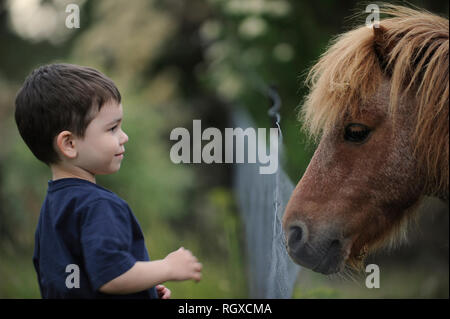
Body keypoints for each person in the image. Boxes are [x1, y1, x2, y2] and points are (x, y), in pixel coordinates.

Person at [14, 63, 202, 298]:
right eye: (112, 128)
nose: (124, 137)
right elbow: (111, 275)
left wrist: (143, 287)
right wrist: (167, 267)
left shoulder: (54, 207)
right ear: (69, 144)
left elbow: (84, 277)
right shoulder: (98, 205)